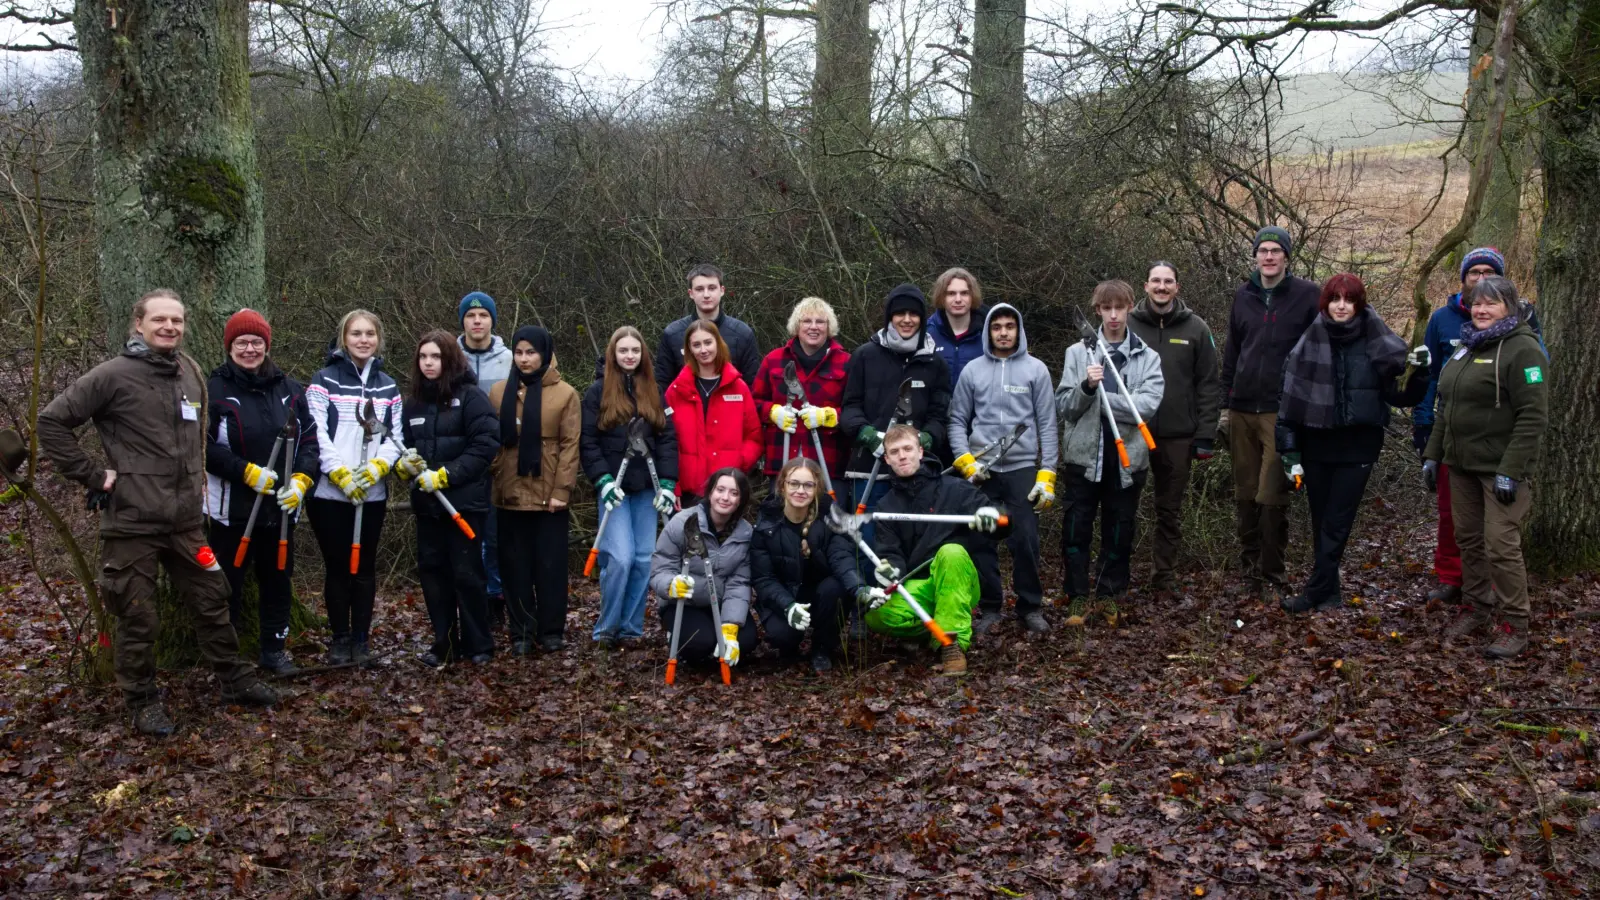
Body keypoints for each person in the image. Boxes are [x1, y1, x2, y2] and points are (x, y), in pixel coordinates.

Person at [38, 289, 277, 736]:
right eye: (160, 320)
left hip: (187, 521)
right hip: (132, 521)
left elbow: (199, 440)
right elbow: (52, 422)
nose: (169, 327)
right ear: (138, 325)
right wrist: (92, 475)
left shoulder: (189, 372)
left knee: (213, 600)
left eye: (177, 321)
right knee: (137, 614)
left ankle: (235, 680)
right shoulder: (111, 375)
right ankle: (142, 701)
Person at [1275, 275, 1430, 614]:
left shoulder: (1377, 339)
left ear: (1359, 303)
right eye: (1335, 299)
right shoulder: (1308, 342)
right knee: (1321, 520)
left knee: (1337, 521)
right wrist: (1289, 451)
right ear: (1326, 303)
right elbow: (1288, 404)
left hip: (1358, 445)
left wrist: (1420, 374)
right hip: (1316, 443)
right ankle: (1330, 594)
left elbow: (1400, 395)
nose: (1341, 306)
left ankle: (1313, 592)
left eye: (1348, 299)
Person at [1422, 276, 1548, 658]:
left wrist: (1511, 469)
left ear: (1508, 306)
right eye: (1477, 303)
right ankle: (1477, 607)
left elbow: (1533, 416)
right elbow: (1447, 404)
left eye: (1491, 304)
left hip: (1500, 470)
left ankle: (1515, 624)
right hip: (1460, 465)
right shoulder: (1466, 347)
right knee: (1469, 540)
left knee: (1500, 546)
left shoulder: (1523, 350)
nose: (1481, 310)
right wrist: (1433, 453)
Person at [204, 309, 320, 675]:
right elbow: (201, 446)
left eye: (257, 342)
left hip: (281, 508)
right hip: (231, 509)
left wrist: (303, 480)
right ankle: (229, 658)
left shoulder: (290, 389)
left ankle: (274, 650)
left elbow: (311, 441)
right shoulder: (214, 389)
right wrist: (245, 472)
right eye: (241, 342)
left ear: (267, 345)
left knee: (278, 580)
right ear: (229, 346)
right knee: (228, 584)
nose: (250, 349)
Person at [1219, 225, 1320, 603]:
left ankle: (1273, 571)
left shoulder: (1308, 295)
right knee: (1245, 494)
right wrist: (1225, 406)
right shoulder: (1242, 295)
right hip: (1242, 407)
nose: (1269, 256)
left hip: (1281, 410)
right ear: (1255, 256)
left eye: (1276, 250)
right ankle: (1249, 570)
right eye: (1262, 250)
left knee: (1271, 493)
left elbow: (1321, 347)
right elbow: (1233, 350)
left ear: (1287, 256)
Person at [1055, 280, 1166, 625]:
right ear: (1098, 310)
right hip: (1083, 459)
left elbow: (1145, 408)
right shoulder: (1077, 354)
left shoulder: (1148, 358)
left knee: (1120, 529)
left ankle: (1108, 595)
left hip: (1128, 459)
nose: (1114, 315)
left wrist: (1103, 402)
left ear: (1131, 307)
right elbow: (1065, 407)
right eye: (1107, 308)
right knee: (1076, 530)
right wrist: (1087, 388)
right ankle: (1076, 596)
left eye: (1120, 307)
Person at [949, 303, 1059, 635]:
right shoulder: (972, 370)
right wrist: (966, 463)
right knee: (981, 539)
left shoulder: (1036, 370)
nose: (1003, 332)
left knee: (1025, 539)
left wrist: (1047, 474)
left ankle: (1030, 607)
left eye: (1010, 326)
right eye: (997, 327)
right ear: (988, 331)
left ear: (1018, 330)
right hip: (982, 472)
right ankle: (990, 608)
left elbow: (1048, 425)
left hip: (1022, 468)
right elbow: (956, 421)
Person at [305, 309, 404, 666]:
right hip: (331, 495)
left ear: (378, 339)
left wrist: (378, 467)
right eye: (356, 333)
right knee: (337, 566)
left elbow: (396, 437)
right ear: (344, 338)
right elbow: (315, 433)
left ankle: (361, 641)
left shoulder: (388, 385)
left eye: (370, 334)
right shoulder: (324, 380)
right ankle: (339, 640)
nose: (363, 340)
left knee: (363, 567)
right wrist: (340, 475)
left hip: (371, 492)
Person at [867, 425, 1007, 676]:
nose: (903, 456)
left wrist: (995, 518)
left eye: (908, 449)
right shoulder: (886, 505)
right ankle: (932, 630)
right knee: (875, 615)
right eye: (895, 451)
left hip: (958, 583)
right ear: (886, 459)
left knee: (951, 551)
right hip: (919, 588)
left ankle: (951, 645)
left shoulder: (955, 488)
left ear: (920, 451)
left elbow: (1003, 524)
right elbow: (890, 552)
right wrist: (890, 569)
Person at [396, 332, 500, 667]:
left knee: (467, 574)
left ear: (450, 360)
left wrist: (446, 475)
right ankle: (444, 642)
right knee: (433, 574)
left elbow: (485, 446)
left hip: (464, 504)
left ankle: (478, 643)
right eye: (423, 357)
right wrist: (404, 467)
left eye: (436, 357)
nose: (429, 363)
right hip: (428, 508)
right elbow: (404, 446)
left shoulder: (471, 398)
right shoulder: (411, 403)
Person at [1412, 248, 1503, 607]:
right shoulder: (1442, 320)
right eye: (1474, 273)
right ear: (1462, 278)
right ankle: (1452, 577)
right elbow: (1429, 377)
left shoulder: (1519, 321)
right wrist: (1423, 423)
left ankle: (1492, 585)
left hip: (1496, 437)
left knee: (1496, 520)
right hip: (1448, 433)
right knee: (1452, 515)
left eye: (1489, 273)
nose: (1480, 280)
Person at [582, 326, 679, 648]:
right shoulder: (597, 392)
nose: (629, 356)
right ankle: (606, 628)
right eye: (623, 351)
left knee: (642, 559)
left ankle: (631, 629)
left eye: (634, 351)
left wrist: (667, 484)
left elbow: (667, 439)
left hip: (647, 489)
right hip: (615, 489)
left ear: (642, 355)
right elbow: (588, 441)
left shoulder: (655, 391)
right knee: (620, 558)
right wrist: (602, 481)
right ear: (613, 354)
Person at [1127, 262, 1221, 594]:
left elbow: (1209, 385)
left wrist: (1205, 434)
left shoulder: (1196, 328)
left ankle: (1163, 577)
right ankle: (1116, 578)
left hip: (1179, 435)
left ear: (1177, 287)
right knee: (1123, 505)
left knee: (1169, 510)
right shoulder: (1126, 324)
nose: (1162, 287)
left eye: (1168, 281)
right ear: (1145, 285)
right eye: (1156, 281)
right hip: (1132, 432)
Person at [488, 325, 581, 655]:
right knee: (514, 566)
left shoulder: (565, 393)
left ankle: (552, 629)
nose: (525, 359)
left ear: (544, 353)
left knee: (550, 565)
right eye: (519, 352)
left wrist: (562, 490)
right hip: (509, 489)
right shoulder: (500, 391)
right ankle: (521, 631)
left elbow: (571, 445)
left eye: (531, 352)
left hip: (548, 489)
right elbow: (493, 442)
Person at [840, 283, 952, 518]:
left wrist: (925, 439)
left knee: (915, 544)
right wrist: (868, 436)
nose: (907, 319)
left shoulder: (935, 363)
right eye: (900, 313)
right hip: (869, 471)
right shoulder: (864, 356)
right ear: (890, 317)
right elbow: (849, 409)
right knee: (867, 542)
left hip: (918, 474)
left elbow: (939, 416)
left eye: (914, 314)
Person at [751, 458, 861, 672]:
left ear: (816, 488)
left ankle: (822, 647)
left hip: (818, 592)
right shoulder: (766, 523)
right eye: (794, 484)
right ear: (782, 485)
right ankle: (790, 646)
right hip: (784, 594)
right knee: (781, 636)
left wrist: (859, 587)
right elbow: (764, 578)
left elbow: (842, 557)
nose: (800, 490)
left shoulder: (829, 518)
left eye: (808, 485)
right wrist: (787, 605)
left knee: (836, 588)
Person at [650, 468, 756, 669]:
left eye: (734, 493)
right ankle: (676, 635)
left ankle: (719, 636)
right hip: (684, 603)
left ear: (741, 499)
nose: (725, 498)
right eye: (720, 490)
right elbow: (660, 568)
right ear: (710, 492)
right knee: (699, 645)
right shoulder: (682, 523)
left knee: (747, 641)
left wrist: (730, 628)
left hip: (720, 602)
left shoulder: (745, 533)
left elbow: (740, 582)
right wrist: (671, 584)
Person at [456, 290, 512, 628]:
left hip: (501, 459)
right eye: (471, 316)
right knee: (467, 535)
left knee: (496, 535)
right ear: (462, 321)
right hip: (462, 461)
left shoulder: (509, 359)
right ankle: (470, 599)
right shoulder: (451, 357)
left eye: (483, 316)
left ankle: (496, 598)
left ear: (492, 320)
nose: (477, 321)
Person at [752, 296, 851, 484]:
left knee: (828, 513)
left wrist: (830, 416)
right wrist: (772, 412)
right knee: (782, 513)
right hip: (781, 462)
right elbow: (752, 404)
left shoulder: (846, 363)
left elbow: (855, 411)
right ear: (797, 326)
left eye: (820, 322)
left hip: (828, 466)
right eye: (807, 321)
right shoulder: (774, 360)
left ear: (829, 327)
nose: (813, 327)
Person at [663, 320, 761, 507]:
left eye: (708, 342)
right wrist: (672, 485)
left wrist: (738, 464)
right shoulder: (676, 390)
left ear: (718, 343)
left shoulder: (738, 388)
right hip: (688, 493)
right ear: (689, 350)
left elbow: (754, 437)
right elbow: (666, 441)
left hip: (727, 491)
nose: (703, 350)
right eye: (696, 345)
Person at [655, 264, 762, 391]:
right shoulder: (673, 334)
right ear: (691, 293)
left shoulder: (743, 333)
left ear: (722, 290)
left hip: (729, 409)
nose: (706, 294)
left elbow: (752, 385)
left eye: (712, 288)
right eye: (699, 289)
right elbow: (662, 384)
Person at [927, 267, 986, 384]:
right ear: (942, 297)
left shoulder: (987, 333)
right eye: (951, 293)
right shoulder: (926, 333)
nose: (958, 299)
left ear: (972, 296)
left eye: (964, 293)